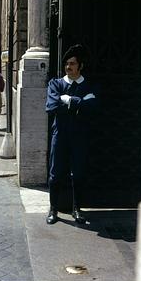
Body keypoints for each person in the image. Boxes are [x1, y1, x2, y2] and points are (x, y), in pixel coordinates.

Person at [45, 44, 97, 225]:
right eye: (67, 63)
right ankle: (53, 209)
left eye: (73, 64)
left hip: (80, 135)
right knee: (55, 173)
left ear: (80, 66)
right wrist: (80, 103)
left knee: (78, 173)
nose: (68, 67)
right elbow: (51, 107)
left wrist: (69, 100)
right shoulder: (56, 84)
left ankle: (77, 209)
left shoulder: (89, 85)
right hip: (60, 134)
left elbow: (92, 108)